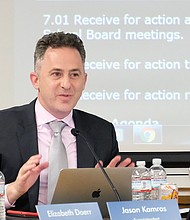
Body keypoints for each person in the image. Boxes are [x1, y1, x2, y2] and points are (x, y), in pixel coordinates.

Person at [0, 31, 134, 212]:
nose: (66, 84)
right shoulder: (4, 126)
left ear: (84, 80)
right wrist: (14, 190)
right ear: (36, 80)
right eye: (56, 74)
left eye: (74, 75)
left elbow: (113, 207)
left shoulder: (102, 132)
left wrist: (113, 193)